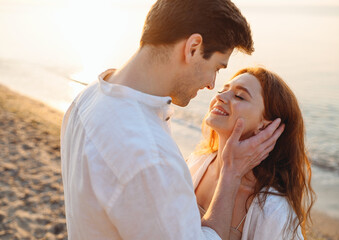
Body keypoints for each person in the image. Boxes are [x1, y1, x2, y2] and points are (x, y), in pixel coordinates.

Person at [60, 0, 284, 239]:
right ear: (193, 48)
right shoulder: (149, 157)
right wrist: (231, 174)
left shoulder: (87, 97)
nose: (212, 84)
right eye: (217, 67)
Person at [188, 67, 315, 240]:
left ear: (265, 125)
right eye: (222, 90)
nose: (219, 97)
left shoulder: (272, 210)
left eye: (239, 96)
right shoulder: (195, 164)